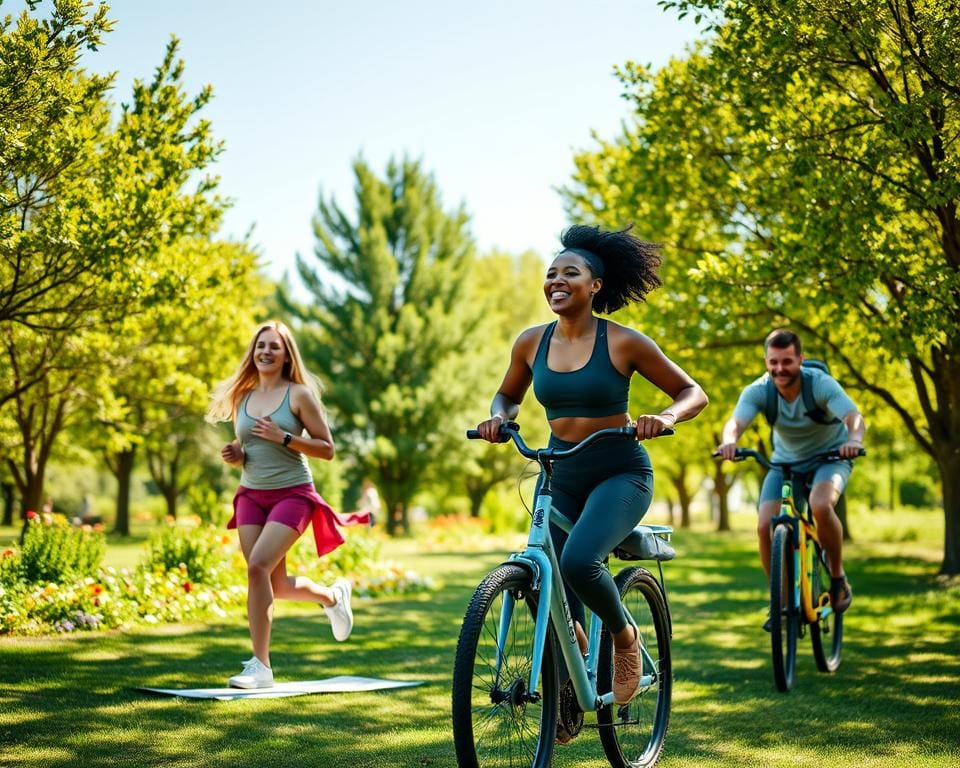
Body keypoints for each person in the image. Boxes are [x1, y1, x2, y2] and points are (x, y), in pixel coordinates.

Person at [476, 224, 708, 715]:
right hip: (558, 470)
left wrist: (664, 417)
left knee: (580, 561)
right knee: (541, 575)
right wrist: (500, 417)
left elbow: (693, 393)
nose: (556, 281)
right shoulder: (530, 342)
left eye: (570, 273)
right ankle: (570, 672)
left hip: (620, 472)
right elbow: (507, 395)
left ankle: (624, 635)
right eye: (551, 273)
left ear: (594, 286)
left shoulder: (624, 342)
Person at [207, 320, 354, 689]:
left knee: (256, 567)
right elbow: (249, 449)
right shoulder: (243, 397)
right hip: (250, 494)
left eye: (274, 346)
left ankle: (261, 667)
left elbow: (328, 449)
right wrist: (236, 453)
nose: (266, 352)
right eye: (261, 345)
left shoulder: (299, 395)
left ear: (287, 354)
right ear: (252, 352)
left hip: (293, 494)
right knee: (277, 583)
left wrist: (285, 437)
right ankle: (332, 596)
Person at [715, 328, 866, 628]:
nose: (779, 369)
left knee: (821, 505)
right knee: (763, 526)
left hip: (831, 457)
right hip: (785, 464)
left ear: (800, 359)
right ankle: (780, 602)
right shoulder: (759, 390)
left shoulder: (820, 384)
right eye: (773, 362)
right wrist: (729, 440)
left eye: (787, 361)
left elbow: (853, 417)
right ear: (766, 362)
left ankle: (837, 578)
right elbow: (736, 421)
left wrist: (855, 440)